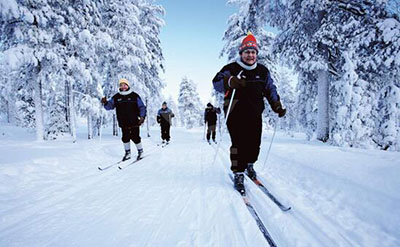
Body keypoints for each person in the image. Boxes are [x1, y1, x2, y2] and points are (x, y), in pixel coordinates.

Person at [212, 32, 286, 194]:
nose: (250, 55)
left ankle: (249, 165)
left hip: (254, 113)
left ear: (256, 54)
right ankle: (238, 172)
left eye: (253, 52)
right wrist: (229, 81)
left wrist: (277, 105)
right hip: (235, 113)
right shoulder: (231, 69)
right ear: (241, 53)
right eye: (247, 52)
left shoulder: (262, 71)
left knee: (254, 143)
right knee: (239, 143)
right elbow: (216, 82)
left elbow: (270, 89)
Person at [101, 78, 146, 161]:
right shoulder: (116, 97)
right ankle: (128, 153)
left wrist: (142, 117)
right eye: (121, 85)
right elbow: (109, 107)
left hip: (134, 121)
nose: (123, 87)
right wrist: (105, 102)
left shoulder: (134, 96)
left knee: (135, 137)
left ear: (128, 85)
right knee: (125, 138)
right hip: (123, 122)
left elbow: (141, 107)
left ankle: (140, 151)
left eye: (125, 85)